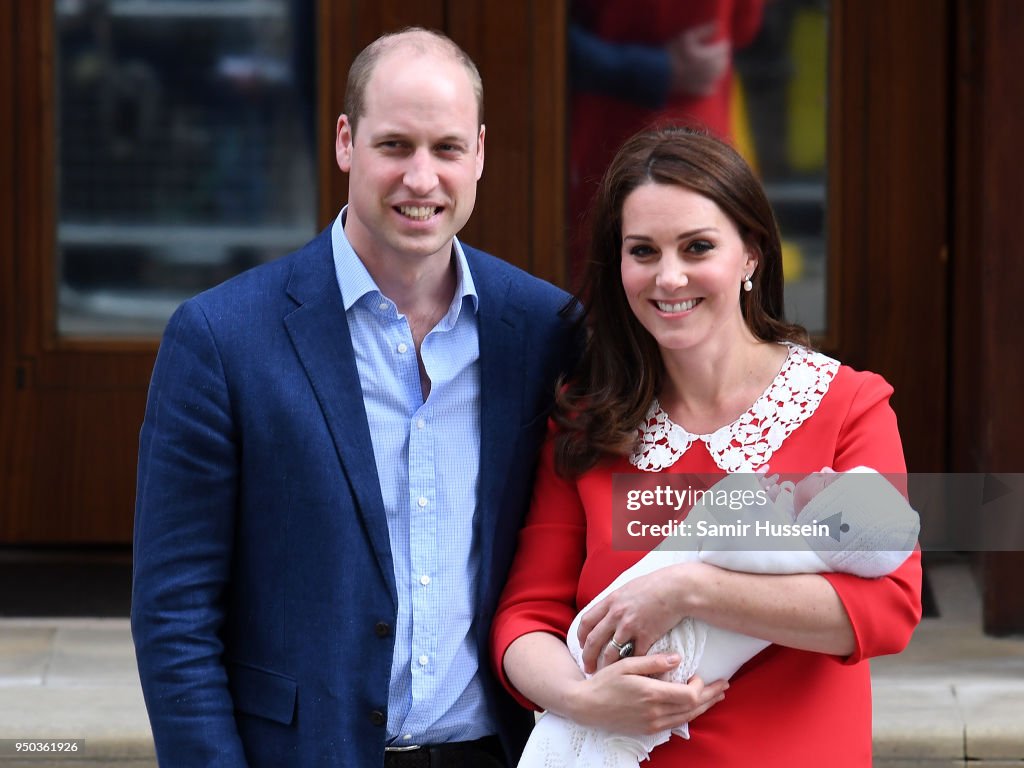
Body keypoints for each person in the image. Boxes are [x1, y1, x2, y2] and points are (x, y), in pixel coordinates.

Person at [131, 27, 578, 768]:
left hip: (501, 752)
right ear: (346, 141)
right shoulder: (219, 338)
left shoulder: (546, 329)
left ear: (481, 155)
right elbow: (174, 613)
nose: (422, 178)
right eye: (395, 145)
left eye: (447, 148)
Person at [491, 126, 922, 767]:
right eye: (643, 251)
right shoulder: (585, 421)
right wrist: (582, 699)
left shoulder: (847, 405)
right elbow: (524, 618)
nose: (669, 277)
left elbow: (888, 608)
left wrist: (689, 588)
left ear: (751, 252)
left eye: (697, 247)